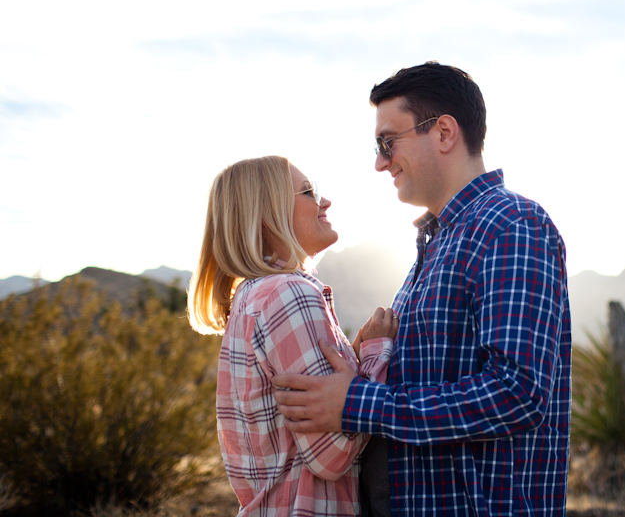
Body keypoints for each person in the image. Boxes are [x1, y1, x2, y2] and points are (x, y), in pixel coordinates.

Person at [273, 63, 572, 516]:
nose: (379, 161)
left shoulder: (511, 226)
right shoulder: (439, 242)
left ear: (445, 133)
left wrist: (357, 403)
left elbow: (517, 392)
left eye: (387, 142)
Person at [187, 155, 399, 516]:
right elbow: (332, 454)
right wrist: (378, 354)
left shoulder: (254, 297)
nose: (325, 202)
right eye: (309, 192)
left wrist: (355, 354)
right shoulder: (290, 294)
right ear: (268, 215)